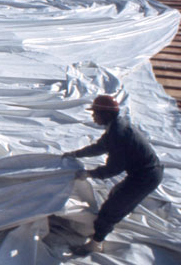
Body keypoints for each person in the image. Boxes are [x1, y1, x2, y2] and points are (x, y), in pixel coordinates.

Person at [62, 95, 164, 255]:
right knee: (116, 194)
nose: (93, 117)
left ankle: (95, 244)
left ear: (105, 114)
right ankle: (103, 229)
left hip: (145, 177)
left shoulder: (118, 133)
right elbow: (100, 147)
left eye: (95, 114)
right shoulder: (115, 127)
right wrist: (75, 154)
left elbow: (113, 169)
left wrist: (89, 173)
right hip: (143, 173)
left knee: (110, 211)